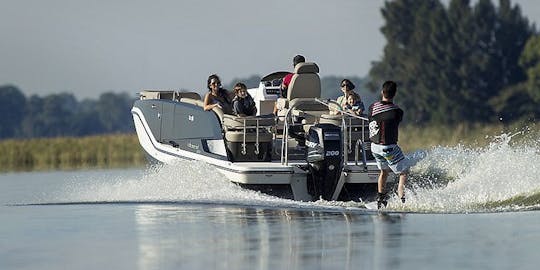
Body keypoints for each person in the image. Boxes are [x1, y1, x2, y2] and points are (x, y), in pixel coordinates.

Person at [368, 81, 408, 209]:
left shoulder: (372, 107)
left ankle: (381, 199)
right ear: (395, 94)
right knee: (403, 172)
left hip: (374, 148)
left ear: (382, 92)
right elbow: (396, 121)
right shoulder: (397, 111)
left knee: (384, 172)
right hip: (388, 148)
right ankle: (402, 198)